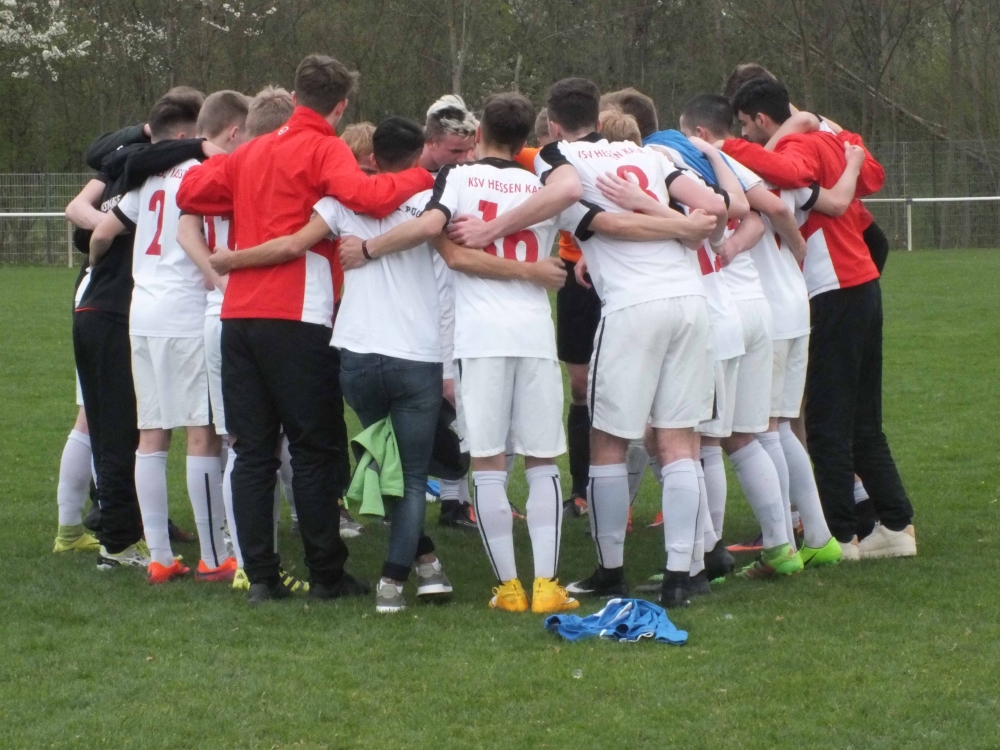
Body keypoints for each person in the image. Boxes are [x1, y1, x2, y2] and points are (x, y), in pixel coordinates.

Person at [447, 77, 725, 607]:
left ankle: (611, 570)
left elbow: (593, 213)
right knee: (678, 440)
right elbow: (714, 207)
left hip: (634, 306)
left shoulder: (558, 158)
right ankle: (682, 576)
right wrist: (678, 223)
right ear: (599, 118)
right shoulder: (651, 153)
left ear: (552, 126)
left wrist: (490, 230)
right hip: (690, 301)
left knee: (608, 442)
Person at [176, 54, 433, 604]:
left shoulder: (251, 150)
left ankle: (262, 577)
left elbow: (190, 193)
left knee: (252, 451)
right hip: (297, 314)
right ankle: (326, 575)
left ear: (294, 97)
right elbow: (368, 197)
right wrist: (424, 174)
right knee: (314, 448)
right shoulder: (324, 147)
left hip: (238, 315)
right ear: (340, 107)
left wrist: (231, 174)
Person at [211, 117, 456, 614]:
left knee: (263, 452)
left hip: (352, 349)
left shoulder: (338, 202)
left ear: (370, 158)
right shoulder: (435, 196)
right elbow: (452, 249)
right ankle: (368, 577)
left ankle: (262, 575)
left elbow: (292, 243)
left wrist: (229, 261)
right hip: (409, 350)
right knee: (390, 469)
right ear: (418, 155)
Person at [723, 77, 916, 559]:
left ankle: (841, 537)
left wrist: (718, 146)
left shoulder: (797, 145)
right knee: (863, 420)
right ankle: (896, 525)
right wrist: (837, 143)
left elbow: (787, 169)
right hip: (862, 283)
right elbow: (870, 174)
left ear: (761, 118)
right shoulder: (831, 137)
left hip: (833, 289)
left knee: (827, 422)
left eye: (745, 125)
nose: (744, 135)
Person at [90, 88, 245, 585]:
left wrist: (97, 267)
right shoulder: (204, 172)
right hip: (184, 311)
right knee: (202, 433)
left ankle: (159, 556)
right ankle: (211, 555)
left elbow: (102, 232)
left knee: (152, 434)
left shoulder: (149, 175)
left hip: (142, 311)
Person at [71, 89, 214, 572]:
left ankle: (137, 539)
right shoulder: (174, 172)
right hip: (130, 310)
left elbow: (94, 227)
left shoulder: (134, 173)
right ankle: (119, 541)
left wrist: (96, 262)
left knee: (127, 430)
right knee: (132, 432)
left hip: (105, 306)